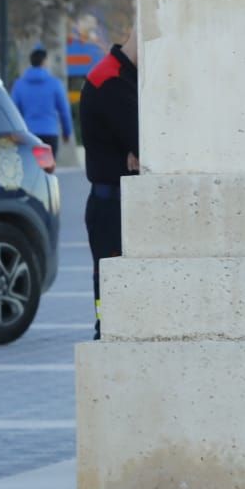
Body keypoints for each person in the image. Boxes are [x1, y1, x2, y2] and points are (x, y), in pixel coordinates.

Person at [78, 40, 138, 340]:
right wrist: (139, 153)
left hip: (116, 201)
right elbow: (147, 145)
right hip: (111, 206)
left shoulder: (124, 77)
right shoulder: (112, 81)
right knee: (111, 301)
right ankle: (106, 337)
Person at [11, 47, 73, 155]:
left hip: (28, 134)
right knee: (47, 170)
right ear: (44, 62)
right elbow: (64, 111)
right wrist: (66, 132)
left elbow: (13, 111)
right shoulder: (55, 84)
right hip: (50, 133)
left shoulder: (19, 84)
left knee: (30, 169)